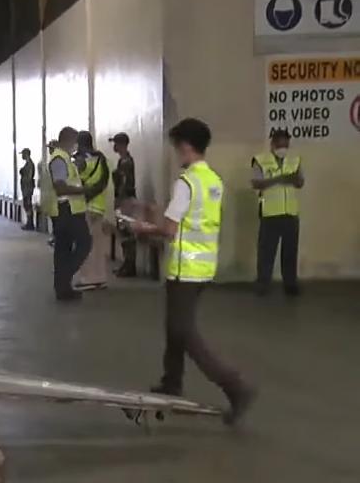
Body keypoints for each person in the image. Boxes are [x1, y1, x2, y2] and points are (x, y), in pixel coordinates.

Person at [130, 118, 257, 425]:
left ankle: (235, 387)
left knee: (184, 333)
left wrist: (141, 228)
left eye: (176, 148)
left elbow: (170, 230)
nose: (176, 153)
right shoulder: (212, 179)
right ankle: (171, 381)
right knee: (174, 327)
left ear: (185, 146)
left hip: (185, 268)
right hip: (203, 267)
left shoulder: (186, 183)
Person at [40, 127, 91, 301]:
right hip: (68, 210)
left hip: (66, 209)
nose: (76, 146)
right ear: (69, 140)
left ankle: (63, 289)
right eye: (75, 142)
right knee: (84, 244)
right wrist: (83, 190)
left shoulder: (62, 158)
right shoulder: (60, 159)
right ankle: (63, 279)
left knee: (63, 249)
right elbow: (60, 187)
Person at [251, 129, 303, 296]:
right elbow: (256, 183)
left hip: (290, 213)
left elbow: (300, 182)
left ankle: (290, 284)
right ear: (273, 144)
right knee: (266, 253)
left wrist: (294, 179)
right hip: (270, 213)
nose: (283, 148)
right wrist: (279, 179)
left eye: (286, 145)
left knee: (290, 252)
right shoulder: (260, 161)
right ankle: (263, 284)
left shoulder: (294, 161)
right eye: (280, 144)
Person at [73, 131, 113, 290]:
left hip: (85, 206)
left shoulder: (81, 160)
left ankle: (88, 278)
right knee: (98, 243)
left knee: (84, 243)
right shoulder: (102, 159)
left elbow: (73, 180)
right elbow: (104, 181)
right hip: (99, 205)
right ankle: (100, 276)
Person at [110, 132, 137, 277]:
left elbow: (125, 184)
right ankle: (127, 264)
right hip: (124, 199)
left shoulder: (126, 162)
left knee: (127, 232)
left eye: (116, 143)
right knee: (124, 232)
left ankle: (130, 265)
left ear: (121, 144)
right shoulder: (123, 161)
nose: (114, 146)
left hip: (125, 200)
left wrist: (119, 201)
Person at [19, 148, 36, 230]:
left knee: (28, 205)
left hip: (27, 188)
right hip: (26, 188)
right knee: (26, 205)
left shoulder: (30, 164)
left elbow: (29, 177)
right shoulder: (27, 163)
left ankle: (30, 223)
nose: (22, 156)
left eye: (23, 154)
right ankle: (29, 222)